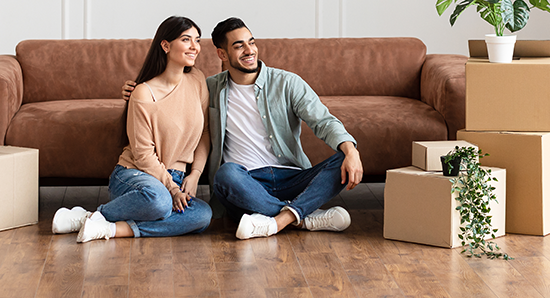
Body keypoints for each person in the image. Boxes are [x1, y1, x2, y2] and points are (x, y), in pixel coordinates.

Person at [125, 17, 364, 240]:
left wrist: (350, 150)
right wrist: (135, 90)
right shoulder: (209, 87)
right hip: (244, 183)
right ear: (222, 54)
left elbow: (324, 121)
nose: (249, 51)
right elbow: (171, 95)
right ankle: (303, 215)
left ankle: (280, 220)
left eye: (251, 42)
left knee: (343, 156)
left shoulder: (287, 83)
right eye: (239, 46)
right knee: (226, 173)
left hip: (291, 177)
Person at [52, 16, 212, 242]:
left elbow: (205, 132)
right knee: (159, 202)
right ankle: (94, 216)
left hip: (177, 177)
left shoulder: (197, 79)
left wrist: (195, 174)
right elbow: (143, 155)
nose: (195, 46)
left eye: (197, 40)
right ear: (165, 45)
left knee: (202, 215)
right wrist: (172, 189)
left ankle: (108, 227)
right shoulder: (143, 92)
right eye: (186, 39)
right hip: (137, 175)